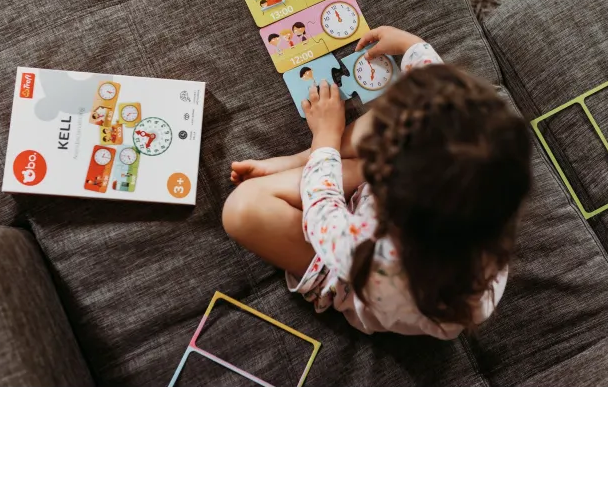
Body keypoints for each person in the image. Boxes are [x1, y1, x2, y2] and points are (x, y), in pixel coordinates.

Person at [222, 26, 532, 338]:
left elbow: (323, 212)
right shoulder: (486, 195)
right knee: (416, 112)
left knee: (240, 210)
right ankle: (307, 160)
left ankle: (320, 158)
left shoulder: (377, 254)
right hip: (405, 207)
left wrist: (326, 136)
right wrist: (413, 47)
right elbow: (450, 111)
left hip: (350, 269)